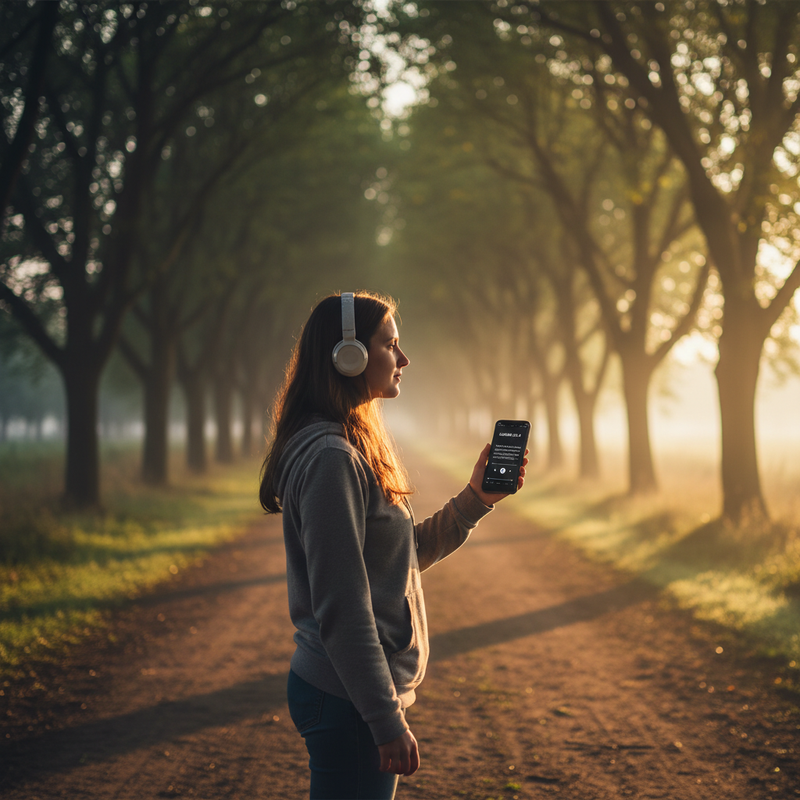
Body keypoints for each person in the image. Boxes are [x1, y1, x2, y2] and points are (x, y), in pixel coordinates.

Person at [259, 291, 526, 800]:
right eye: (391, 345)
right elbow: (342, 604)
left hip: (350, 694)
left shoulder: (345, 444)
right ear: (349, 356)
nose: (404, 360)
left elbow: (392, 563)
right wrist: (384, 718)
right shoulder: (331, 459)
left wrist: (475, 499)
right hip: (349, 699)